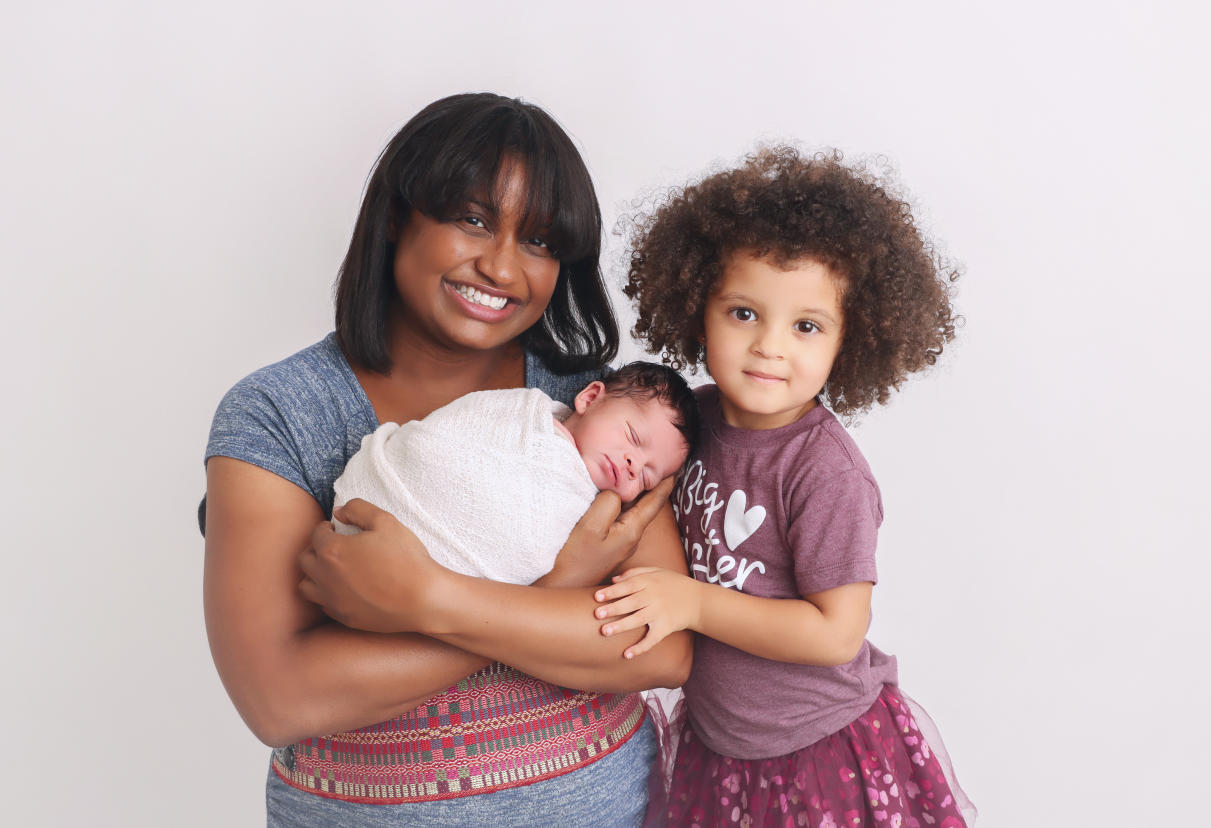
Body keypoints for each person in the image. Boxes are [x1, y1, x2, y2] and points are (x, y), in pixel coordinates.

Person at [202, 93, 692, 827]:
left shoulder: (600, 410)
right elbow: (281, 698)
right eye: (473, 219)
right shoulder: (280, 412)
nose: (500, 267)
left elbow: (661, 648)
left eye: (539, 242)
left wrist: (424, 598)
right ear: (397, 216)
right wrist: (561, 589)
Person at [594, 147, 977, 826]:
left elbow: (835, 634)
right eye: (744, 313)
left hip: (817, 754)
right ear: (696, 310)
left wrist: (693, 603)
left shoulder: (825, 470)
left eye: (805, 326)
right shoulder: (690, 424)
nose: (771, 346)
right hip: (718, 750)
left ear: (847, 342)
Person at [332, 361, 699, 584]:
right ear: (589, 398)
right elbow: (432, 448)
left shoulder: (595, 514)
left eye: (647, 477)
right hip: (381, 510)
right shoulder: (520, 415)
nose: (633, 464)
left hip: (445, 595)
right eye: (632, 437)